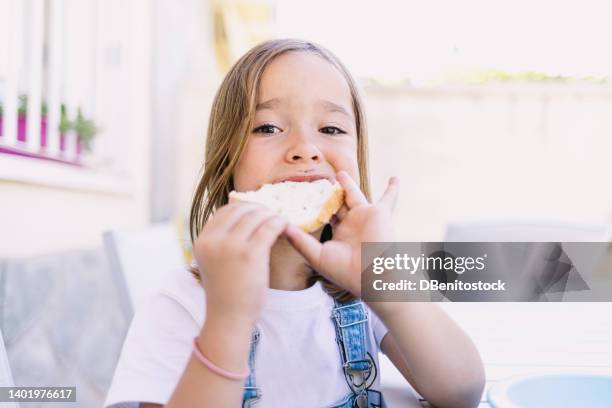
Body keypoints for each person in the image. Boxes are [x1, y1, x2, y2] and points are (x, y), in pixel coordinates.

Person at [104, 38, 485, 408]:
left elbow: (461, 393)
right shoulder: (181, 303)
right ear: (227, 163)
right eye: (268, 127)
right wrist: (227, 319)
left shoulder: (361, 290)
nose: (306, 148)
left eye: (331, 129)